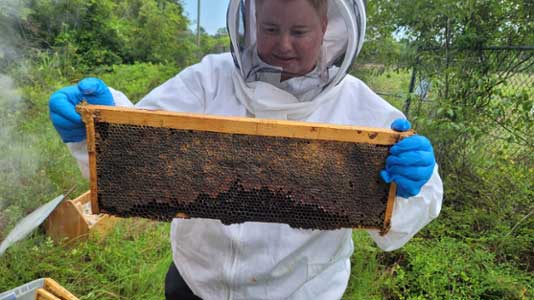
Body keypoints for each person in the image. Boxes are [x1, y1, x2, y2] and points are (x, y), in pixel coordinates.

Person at [49, 0, 443, 299]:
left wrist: (411, 188)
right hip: (195, 282)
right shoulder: (209, 79)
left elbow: (407, 213)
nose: (283, 45)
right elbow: (138, 143)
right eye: (270, 28)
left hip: (300, 291)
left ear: (325, 27)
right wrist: (96, 124)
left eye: (299, 31)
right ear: (252, 23)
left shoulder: (363, 109)